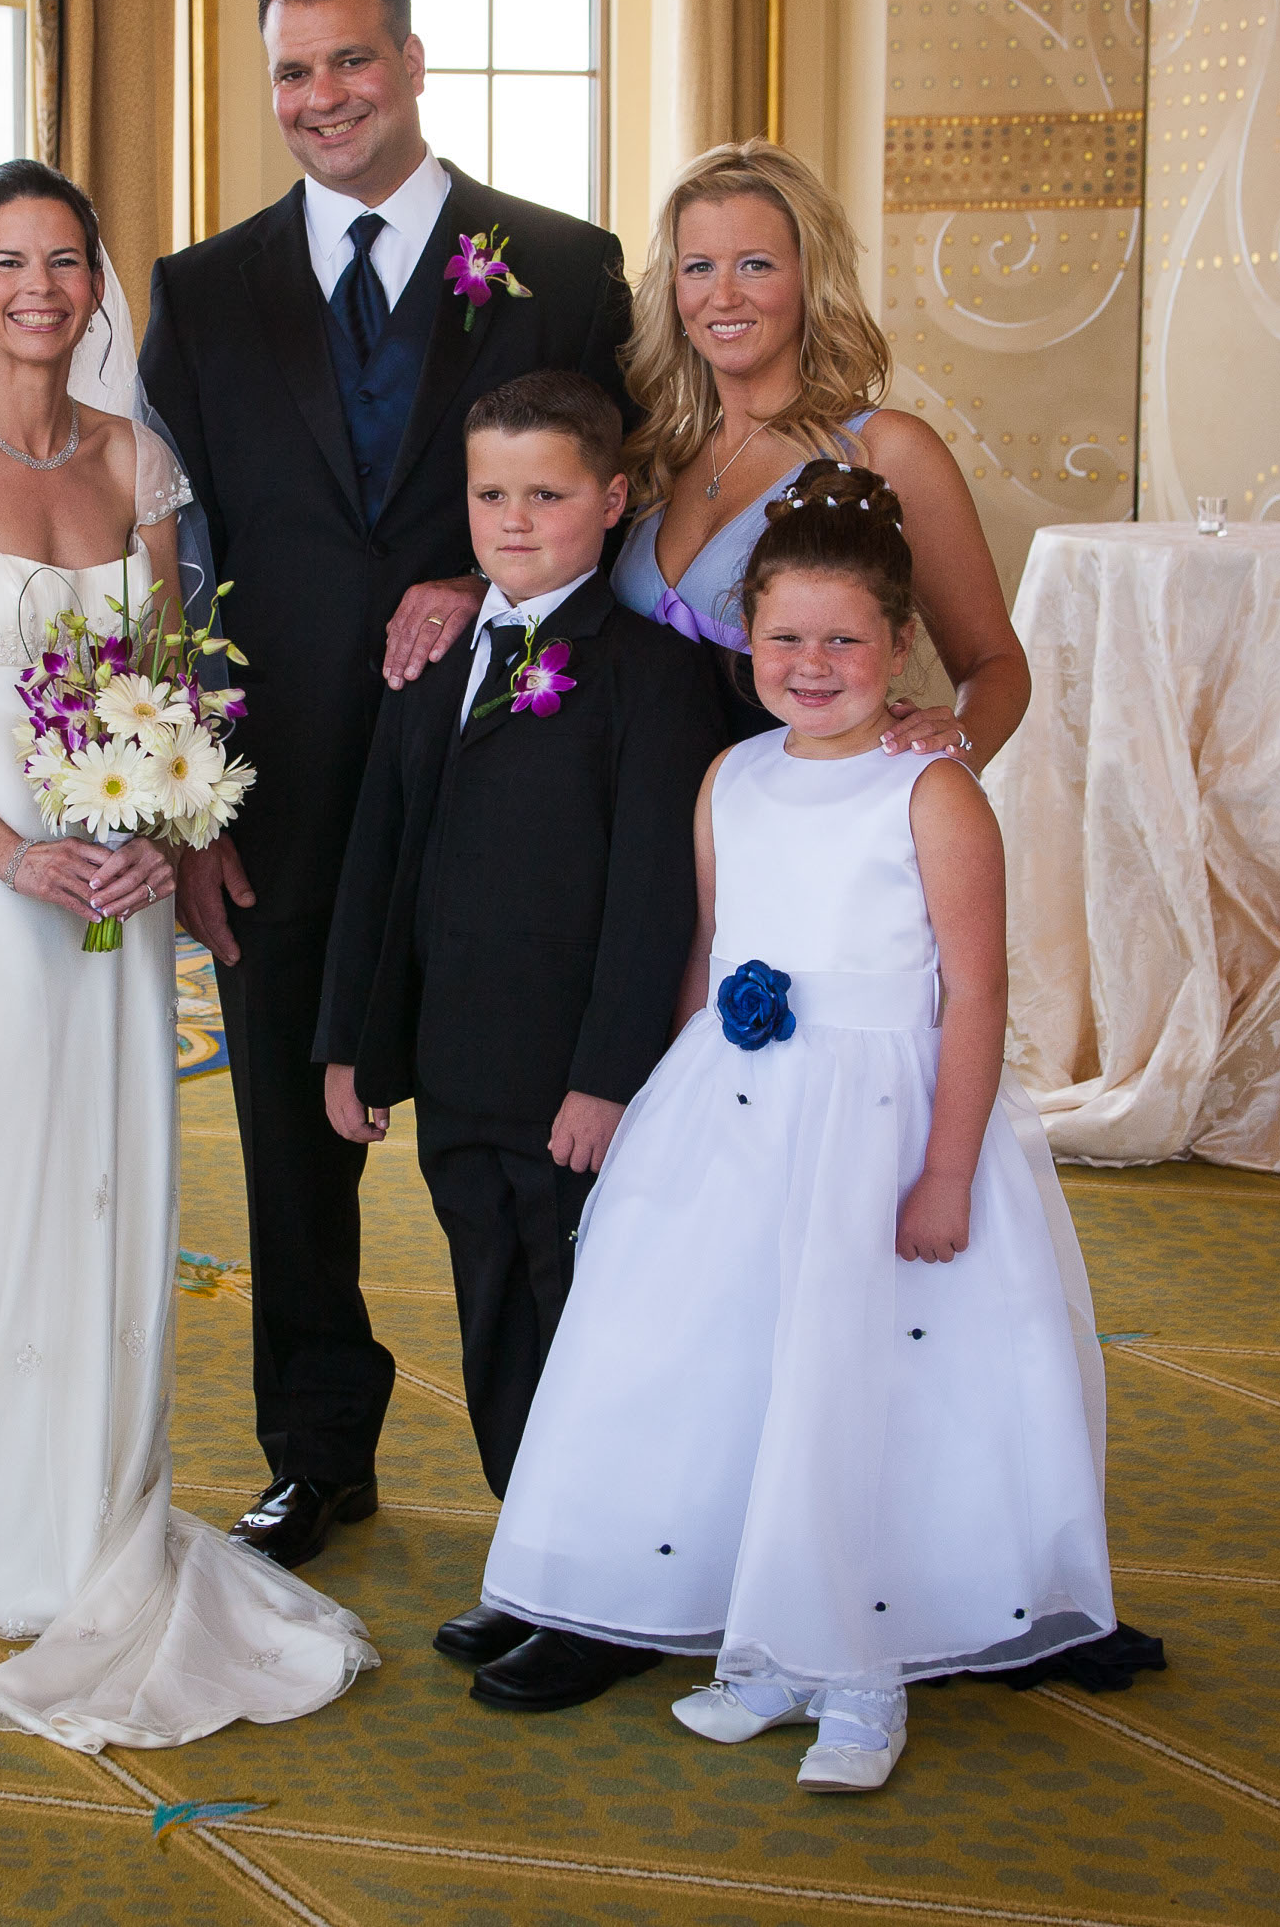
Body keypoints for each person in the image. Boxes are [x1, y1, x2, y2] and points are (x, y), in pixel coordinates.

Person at [0, 157, 377, 1752]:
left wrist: (165, 823)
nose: (41, 290)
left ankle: (110, 1491)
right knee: (8, 1173)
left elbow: (168, 677)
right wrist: (8, 850)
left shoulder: (139, 461)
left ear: (94, 287)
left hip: (121, 888)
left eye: (67, 262)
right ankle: (18, 1519)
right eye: (10, 262)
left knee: (120, 1178)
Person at [473, 460, 1114, 1786]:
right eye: (784, 637)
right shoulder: (731, 777)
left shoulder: (930, 790)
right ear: (746, 640)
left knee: (859, 1382)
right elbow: (706, 952)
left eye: (844, 639)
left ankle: (862, 1673)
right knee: (748, 1367)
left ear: (898, 648)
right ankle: (765, 1645)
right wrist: (666, 1113)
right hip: (739, 1115)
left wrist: (944, 1171)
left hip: (880, 1127)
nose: (811, 662)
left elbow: (976, 992)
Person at [143, 0, 635, 1571]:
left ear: (413, 62)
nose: (321, 99)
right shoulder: (200, 292)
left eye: (349, 63)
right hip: (273, 787)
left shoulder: (556, 264)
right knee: (290, 1143)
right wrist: (188, 798)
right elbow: (178, 560)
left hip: (502, 791)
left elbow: (605, 520)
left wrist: (473, 574)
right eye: (291, 72)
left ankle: (571, 1464)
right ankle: (315, 1448)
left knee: (513, 1140)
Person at [314, 371, 725, 1677]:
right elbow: (378, 861)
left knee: (578, 1321)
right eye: (490, 493)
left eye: (545, 493)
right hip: (458, 1065)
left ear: (609, 502)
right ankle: (537, 1556)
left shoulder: (655, 679)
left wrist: (608, 1076)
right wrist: (350, 1043)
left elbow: (656, 899)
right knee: (490, 1306)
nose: (513, 518)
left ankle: (609, 1593)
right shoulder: (432, 662)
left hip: (570, 1085)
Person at [614, 141, 1027, 761]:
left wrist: (955, 749)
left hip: (807, 834)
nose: (722, 296)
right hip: (648, 836)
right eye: (698, 267)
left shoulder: (885, 450)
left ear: (812, 277)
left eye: (755, 265)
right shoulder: (654, 454)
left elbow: (995, 663)